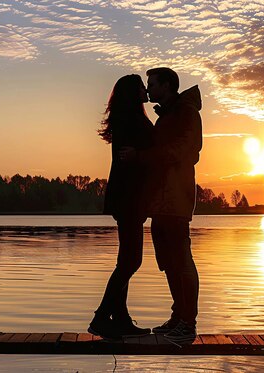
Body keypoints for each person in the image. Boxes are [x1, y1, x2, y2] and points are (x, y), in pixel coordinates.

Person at [121, 67, 202, 345]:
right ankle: (177, 318)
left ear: (167, 85)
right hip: (160, 202)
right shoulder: (166, 115)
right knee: (168, 263)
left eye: (152, 84)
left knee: (181, 261)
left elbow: (184, 151)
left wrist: (141, 157)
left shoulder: (187, 113)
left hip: (176, 200)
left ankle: (188, 323)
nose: (149, 89)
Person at [88, 74, 153, 339]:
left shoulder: (128, 118)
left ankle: (121, 317)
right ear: (131, 92)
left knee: (126, 259)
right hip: (129, 197)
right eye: (141, 86)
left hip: (127, 196)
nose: (145, 89)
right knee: (131, 260)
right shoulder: (132, 120)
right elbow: (135, 159)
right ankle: (102, 317)